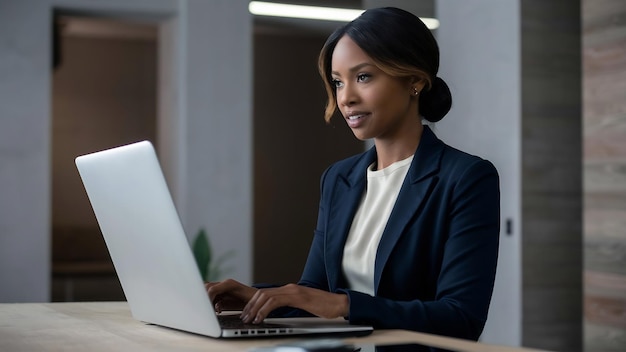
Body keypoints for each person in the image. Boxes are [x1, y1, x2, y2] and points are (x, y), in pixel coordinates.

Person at [206, 7, 500, 341]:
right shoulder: (338, 178)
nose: (346, 97)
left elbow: (461, 318)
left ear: (415, 81)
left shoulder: (466, 178)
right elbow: (314, 294)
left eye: (363, 77)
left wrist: (345, 304)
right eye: (337, 82)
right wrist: (256, 296)